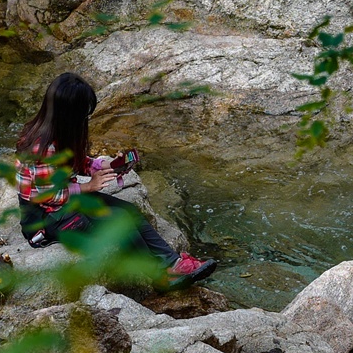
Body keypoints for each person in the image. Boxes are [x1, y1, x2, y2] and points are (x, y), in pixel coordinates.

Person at [14, 72, 216, 290]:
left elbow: (73, 163)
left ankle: (173, 263)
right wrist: (87, 186)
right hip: (46, 218)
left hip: (63, 204)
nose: (86, 119)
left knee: (128, 210)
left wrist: (109, 164)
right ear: (68, 115)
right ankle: (159, 277)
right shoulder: (41, 146)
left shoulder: (58, 133)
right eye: (82, 114)